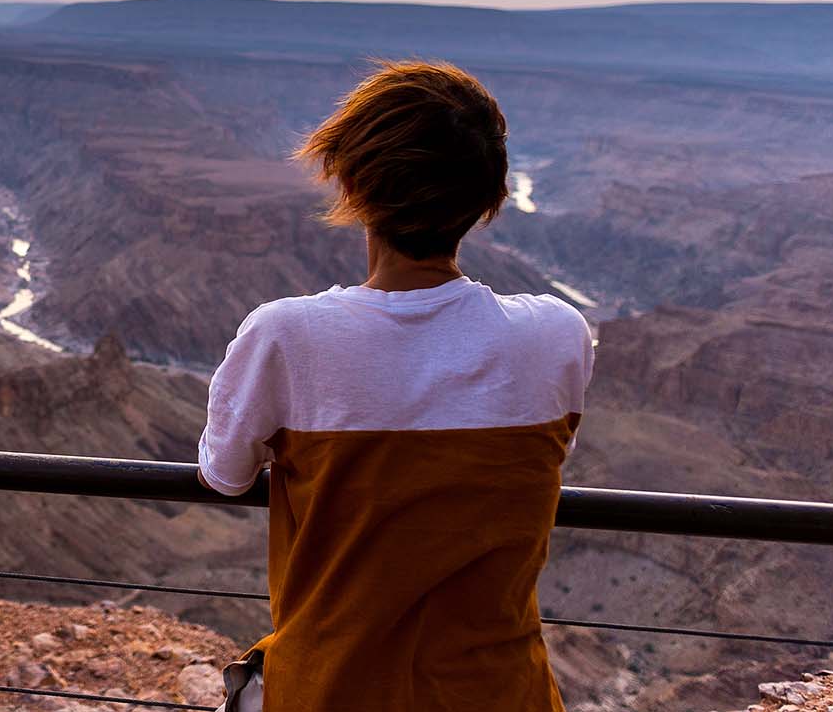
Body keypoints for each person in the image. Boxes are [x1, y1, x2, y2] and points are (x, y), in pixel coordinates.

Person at [199, 60, 593, 712]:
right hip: (503, 695)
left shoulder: (286, 336)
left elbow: (225, 473)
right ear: (489, 197)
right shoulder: (557, 335)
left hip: (329, 691)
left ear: (352, 183)